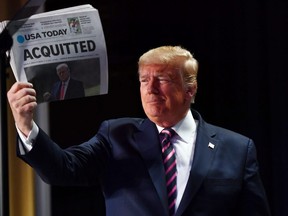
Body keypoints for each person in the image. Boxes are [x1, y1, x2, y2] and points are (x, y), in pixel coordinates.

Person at [7, 46, 271, 216]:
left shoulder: (238, 148)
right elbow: (63, 169)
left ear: (190, 89)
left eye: (163, 79)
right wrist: (25, 124)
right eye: (144, 80)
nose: (150, 88)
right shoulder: (116, 135)